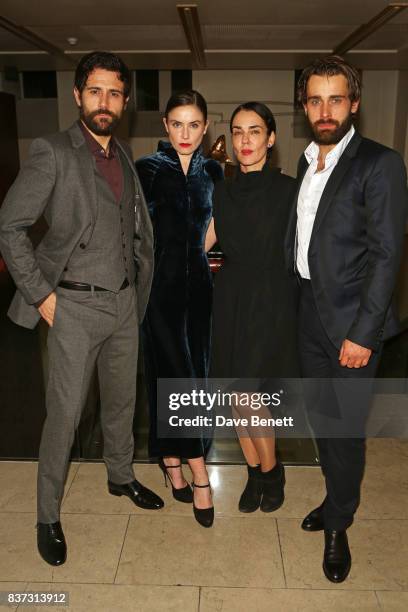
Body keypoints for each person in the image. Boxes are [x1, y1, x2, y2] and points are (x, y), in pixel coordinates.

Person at [0, 51, 164, 566]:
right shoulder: (53, 151)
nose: (105, 102)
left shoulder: (124, 156)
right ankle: (47, 514)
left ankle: (120, 475)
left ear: (125, 100)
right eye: (95, 91)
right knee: (65, 417)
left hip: (121, 306)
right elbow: (11, 228)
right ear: (78, 95)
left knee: (120, 404)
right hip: (70, 305)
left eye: (114, 93)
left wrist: (136, 292)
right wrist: (41, 295)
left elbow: (135, 233)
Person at [284, 55, 408, 583]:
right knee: (321, 421)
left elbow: (387, 254)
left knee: (345, 430)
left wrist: (364, 333)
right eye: (315, 99)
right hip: (308, 316)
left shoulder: (380, 163)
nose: (325, 109)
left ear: (354, 103)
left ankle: (339, 525)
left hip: (352, 324)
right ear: (304, 105)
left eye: (336, 98)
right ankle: (336, 498)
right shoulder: (304, 162)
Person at [136, 90, 223, 527]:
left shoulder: (215, 171)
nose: (185, 133)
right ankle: (198, 473)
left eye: (194, 125)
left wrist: (199, 249)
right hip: (158, 293)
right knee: (173, 376)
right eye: (177, 124)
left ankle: (171, 458)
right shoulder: (147, 170)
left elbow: (216, 229)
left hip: (200, 291)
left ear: (205, 127)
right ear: (165, 127)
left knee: (197, 379)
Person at [206, 102, 299, 514]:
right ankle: (254, 471)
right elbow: (200, 242)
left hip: (271, 298)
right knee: (234, 393)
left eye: (255, 131)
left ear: (271, 138)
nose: (245, 140)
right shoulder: (221, 190)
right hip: (230, 296)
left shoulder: (290, 190)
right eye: (238, 131)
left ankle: (271, 469)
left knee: (251, 393)